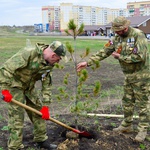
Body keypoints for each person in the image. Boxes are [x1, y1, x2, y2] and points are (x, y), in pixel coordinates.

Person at [77, 16, 150, 142]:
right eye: (116, 30)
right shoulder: (116, 37)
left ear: (126, 27)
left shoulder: (138, 35)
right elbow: (104, 51)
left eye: (120, 30)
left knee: (143, 104)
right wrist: (88, 62)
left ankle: (143, 129)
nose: (117, 32)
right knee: (127, 101)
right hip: (128, 76)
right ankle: (127, 125)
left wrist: (120, 57)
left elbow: (141, 57)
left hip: (142, 76)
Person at [0, 41, 66, 150]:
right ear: (53, 55)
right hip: (14, 86)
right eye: (58, 59)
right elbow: (5, 69)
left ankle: (41, 140)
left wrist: (46, 106)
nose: (58, 61)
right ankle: (15, 147)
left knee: (39, 112)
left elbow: (46, 85)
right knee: (17, 116)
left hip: (28, 87)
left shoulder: (49, 64)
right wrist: (5, 91)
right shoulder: (29, 53)